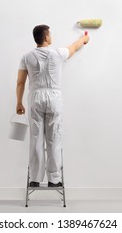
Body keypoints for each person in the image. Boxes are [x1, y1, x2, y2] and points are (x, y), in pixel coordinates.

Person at [16, 25, 89, 187]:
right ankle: (54, 179)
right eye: (50, 34)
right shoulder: (57, 54)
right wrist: (84, 39)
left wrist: (19, 102)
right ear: (46, 37)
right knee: (54, 138)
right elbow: (74, 47)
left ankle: (35, 178)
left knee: (36, 138)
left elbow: (21, 82)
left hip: (35, 97)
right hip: (54, 97)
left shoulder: (27, 57)